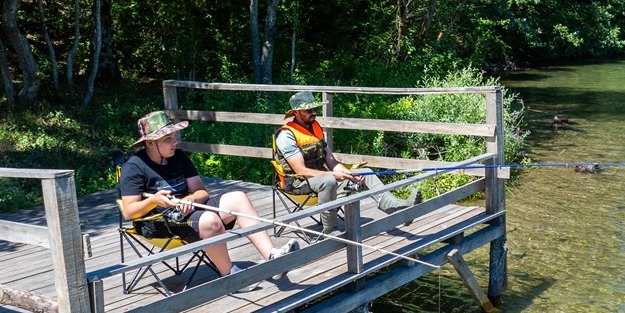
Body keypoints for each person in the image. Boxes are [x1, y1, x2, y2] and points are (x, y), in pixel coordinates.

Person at [118, 110, 298, 278]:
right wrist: (154, 201)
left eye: (174, 137)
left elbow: (201, 191)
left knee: (238, 198)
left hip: (188, 212)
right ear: (150, 142)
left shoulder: (178, 156)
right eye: (167, 139)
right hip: (158, 221)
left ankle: (272, 257)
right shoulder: (134, 167)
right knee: (210, 220)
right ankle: (230, 275)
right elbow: (129, 211)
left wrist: (190, 199)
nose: (175, 142)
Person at [272, 91, 421, 232]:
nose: (314, 113)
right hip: (297, 184)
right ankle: (330, 230)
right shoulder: (286, 135)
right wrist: (333, 175)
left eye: (315, 109)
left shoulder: (316, 128)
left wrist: (349, 174)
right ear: (296, 113)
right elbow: (301, 171)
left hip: (323, 178)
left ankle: (396, 208)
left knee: (365, 173)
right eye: (309, 110)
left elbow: (332, 161)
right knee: (329, 180)